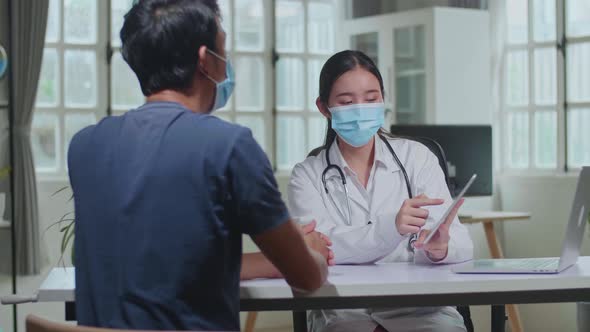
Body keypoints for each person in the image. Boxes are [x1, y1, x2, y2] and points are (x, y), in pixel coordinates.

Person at [67, 1, 329, 330]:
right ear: (207, 60)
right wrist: (313, 253)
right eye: (224, 46)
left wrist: (268, 263)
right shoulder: (228, 147)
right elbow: (305, 277)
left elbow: (165, 267)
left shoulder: (85, 146)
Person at [287, 50, 474, 332]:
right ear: (324, 107)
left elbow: (461, 242)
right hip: (345, 314)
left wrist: (440, 248)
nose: (361, 109)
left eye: (371, 99)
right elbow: (317, 250)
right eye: (347, 102)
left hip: (421, 311)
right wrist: (391, 227)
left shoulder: (417, 158)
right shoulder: (307, 176)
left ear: (383, 100)